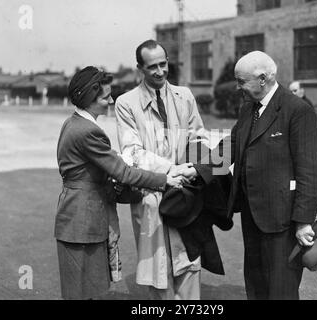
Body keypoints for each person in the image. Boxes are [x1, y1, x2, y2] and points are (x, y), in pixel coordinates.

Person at [182, 51, 317, 299]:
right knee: (256, 285)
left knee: (281, 289)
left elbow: (311, 171)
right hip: (252, 215)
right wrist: (198, 169)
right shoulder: (249, 107)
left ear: (262, 79)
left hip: (283, 220)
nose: (238, 88)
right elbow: (232, 145)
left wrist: (303, 221)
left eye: (241, 81)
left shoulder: (297, 110)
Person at [54, 66, 183, 300]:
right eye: (105, 96)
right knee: (83, 291)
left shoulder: (71, 123)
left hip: (75, 217)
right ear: (90, 98)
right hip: (83, 221)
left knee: (81, 290)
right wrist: (165, 180)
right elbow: (123, 173)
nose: (111, 100)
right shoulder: (88, 131)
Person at [114, 40, 208, 300]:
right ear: (140, 69)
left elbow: (198, 138)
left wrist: (196, 168)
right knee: (158, 268)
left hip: (185, 194)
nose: (159, 71)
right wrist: (171, 171)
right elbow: (132, 152)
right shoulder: (126, 103)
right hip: (150, 195)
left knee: (188, 261)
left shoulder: (185, 95)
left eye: (163, 64)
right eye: (152, 66)